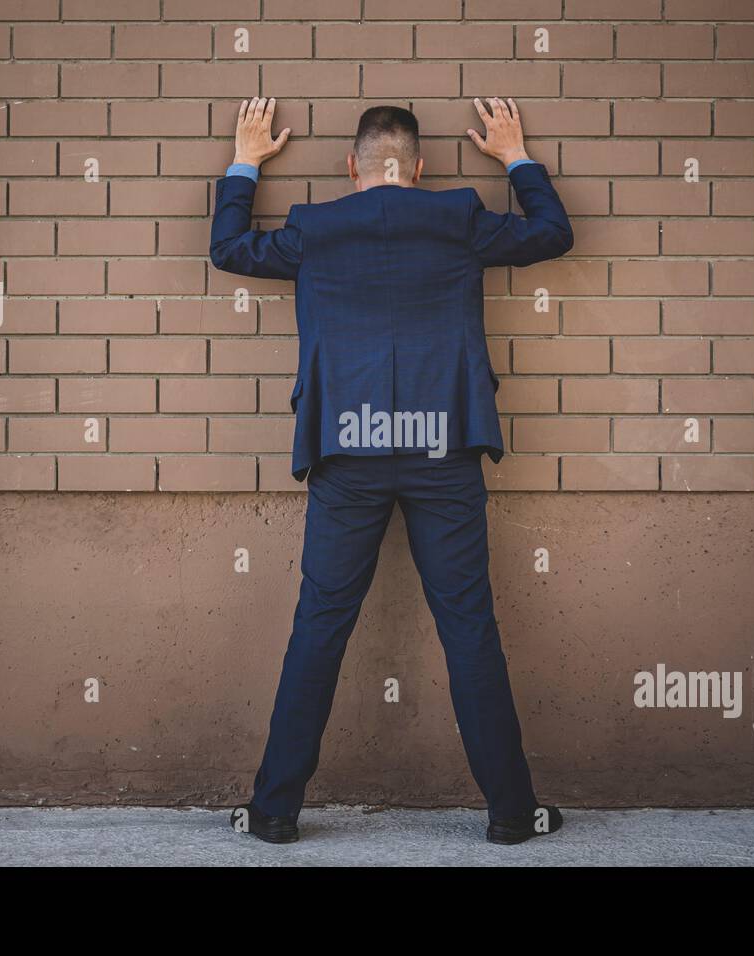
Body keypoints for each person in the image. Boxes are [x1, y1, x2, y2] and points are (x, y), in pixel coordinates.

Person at [210, 97, 574, 844]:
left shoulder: (315, 227)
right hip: (445, 450)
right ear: (419, 169)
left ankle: (274, 811)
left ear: (352, 168)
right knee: (470, 630)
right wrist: (516, 157)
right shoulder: (459, 217)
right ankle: (511, 812)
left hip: (349, 451)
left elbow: (229, 248)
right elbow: (553, 234)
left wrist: (245, 158)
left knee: (319, 626)